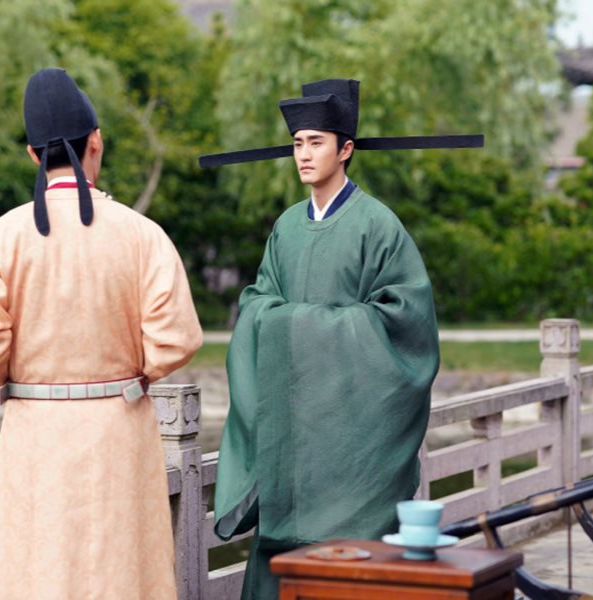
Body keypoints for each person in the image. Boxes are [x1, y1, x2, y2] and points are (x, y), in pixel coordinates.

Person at [0, 67, 203, 599]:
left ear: (32, 155)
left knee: (36, 573)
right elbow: (176, 339)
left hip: (34, 432)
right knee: (120, 575)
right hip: (119, 429)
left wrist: (19, 376)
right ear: (96, 142)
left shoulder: (1, 237)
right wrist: (135, 372)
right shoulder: (142, 234)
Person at [208, 79, 442, 599]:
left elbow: (405, 323)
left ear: (346, 149)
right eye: (298, 144)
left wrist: (296, 324)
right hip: (290, 431)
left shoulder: (378, 225)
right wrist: (288, 321)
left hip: (352, 438)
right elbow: (257, 306)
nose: (305, 154)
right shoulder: (286, 227)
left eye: (316, 142)